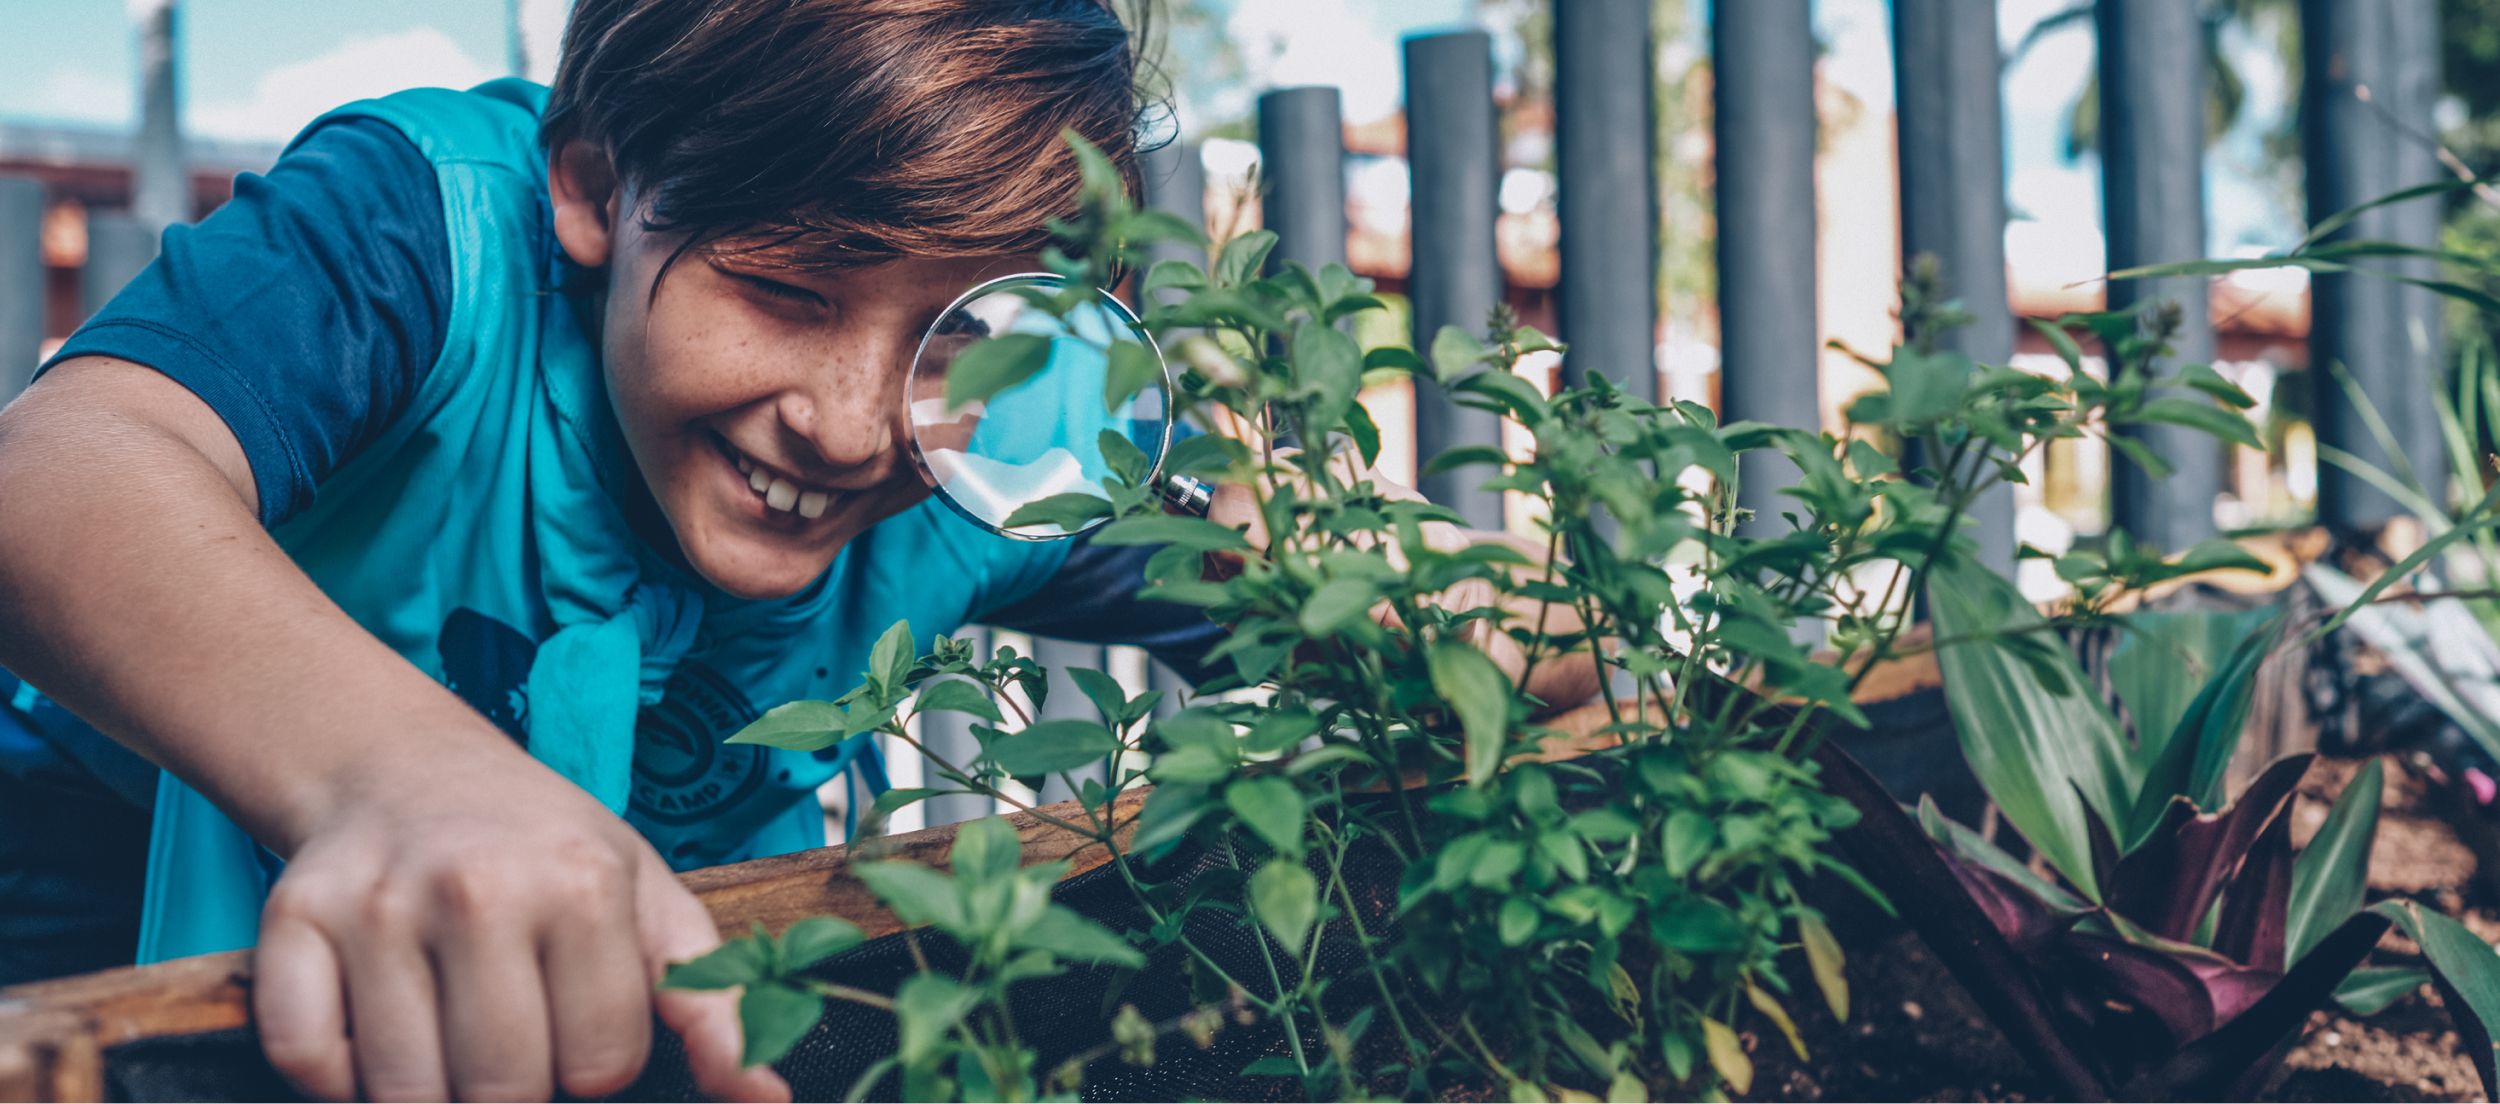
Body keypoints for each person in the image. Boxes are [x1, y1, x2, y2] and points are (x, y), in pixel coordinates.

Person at [0, 0, 1597, 1099]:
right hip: (93, 896)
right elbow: (61, 479)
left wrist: (1457, 635)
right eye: (786, 286)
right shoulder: (427, 234)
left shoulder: (997, 458)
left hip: (621, 987)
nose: (853, 426)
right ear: (596, 183)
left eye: (957, 340)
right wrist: (397, 773)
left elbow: (1262, 600)